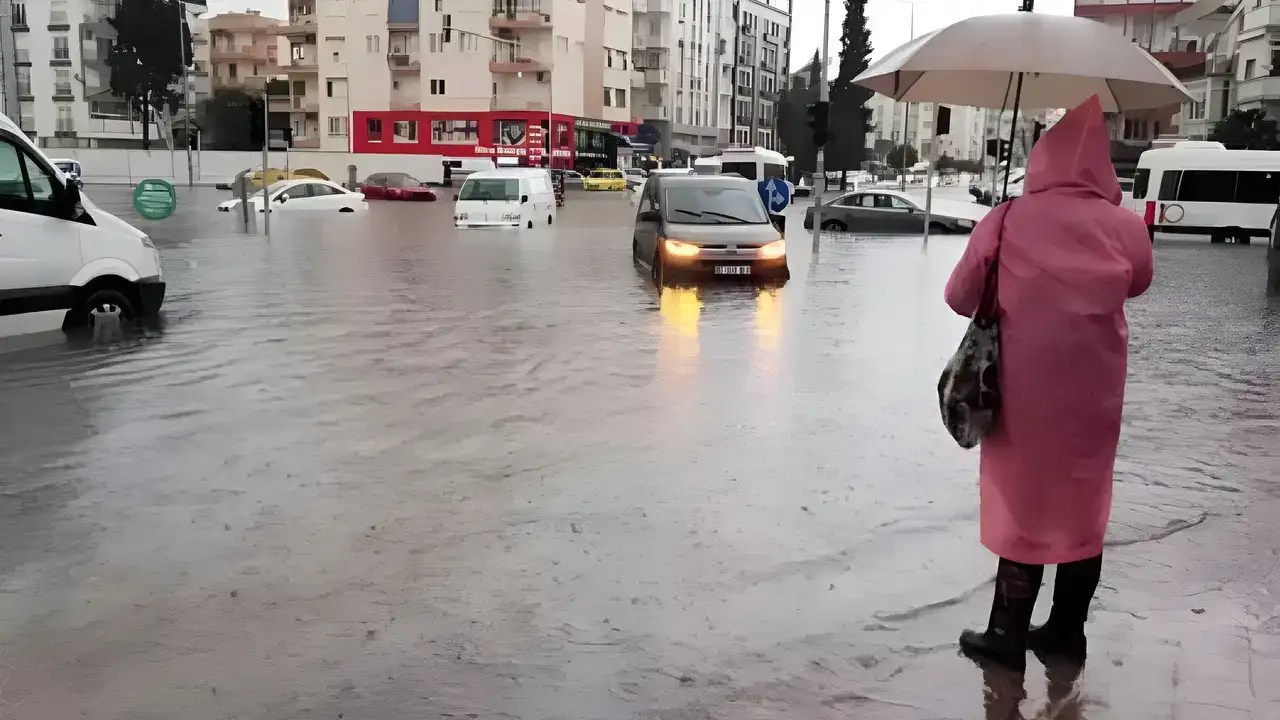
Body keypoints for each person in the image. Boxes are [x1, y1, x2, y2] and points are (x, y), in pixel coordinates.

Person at [943, 95, 1154, 672]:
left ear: (1041, 160)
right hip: (1095, 397)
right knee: (1085, 507)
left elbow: (958, 297)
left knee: (1023, 504)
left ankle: (1005, 634)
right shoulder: (1124, 225)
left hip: (1020, 394)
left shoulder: (1007, 218)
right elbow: (1139, 283)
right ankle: (1066, 633)